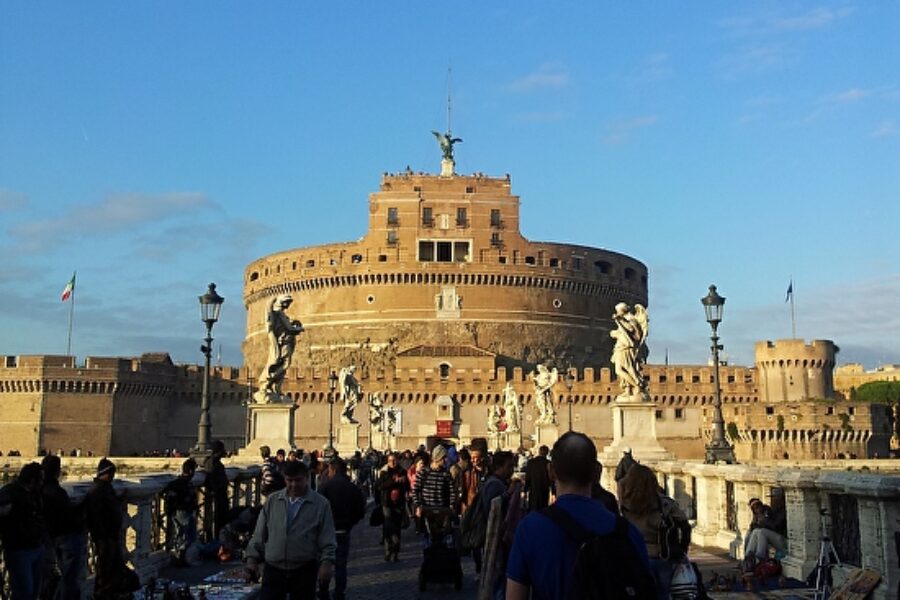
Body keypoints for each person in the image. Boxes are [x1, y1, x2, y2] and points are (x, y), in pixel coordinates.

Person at [506, 432, 651, 600]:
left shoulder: (529, 529)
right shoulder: (628, 532)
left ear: (551, 471)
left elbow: (514, 596)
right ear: (597, 472)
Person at [245, 460, 336, 600]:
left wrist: (327, 563)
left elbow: (327, 538)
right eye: (289, 480)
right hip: (273, 568)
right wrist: (252, 559)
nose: (293, 485)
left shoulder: (321, 504)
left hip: (304, 568)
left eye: (298, 480)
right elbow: (259, 534)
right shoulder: (273, 500)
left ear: (307, 478)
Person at [619, 464, 690, 600]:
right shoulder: (664, 504)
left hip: (635, 556)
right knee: (663, 594)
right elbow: (684, 525)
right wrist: (682, 549)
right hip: (661, 555)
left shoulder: (625, 505)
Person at [84, 458, 135, 600]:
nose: (113, 477)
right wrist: (102, 535)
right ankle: (102, 592)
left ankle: (109, 591)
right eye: (111, 474)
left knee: (111, 564)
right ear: (105, 474)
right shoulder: (97, 491)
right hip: (104, 536)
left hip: (110, 535)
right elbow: (95, 515)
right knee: (105, 566)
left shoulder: (105, 488)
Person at [317, 458, 366, 600]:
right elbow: (360, 510)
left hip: (326, 532)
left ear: (332, 470)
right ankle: (339, 592)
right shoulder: (353, 487)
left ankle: (323, 589)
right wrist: (350, 523)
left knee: (324, 562)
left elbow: (317, 509)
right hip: (344, 530)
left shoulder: (325, 486)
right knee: (341, 564)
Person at [41, 455, 87, 600]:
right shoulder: (56, 491)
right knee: (70, 576)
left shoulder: (39, 490)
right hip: (67, 537)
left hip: (50, 537)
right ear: (57, 471)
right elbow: (68, 516)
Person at [0, 462, 46, 600]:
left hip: (36, 547)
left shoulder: (34, 493)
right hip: (19, 551)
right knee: (24, 593)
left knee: (34, 592)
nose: (43, 482)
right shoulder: (9, 493)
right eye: (41, 479)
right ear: (32, 480)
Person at [163, 458, 198, 566]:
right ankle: (180, 559)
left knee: (186, 536)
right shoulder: (181, 484)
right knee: (183, 537)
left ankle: (182, 559)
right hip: (182, 512)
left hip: (185, 511)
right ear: (191, 471)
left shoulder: (179, 483)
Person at [379, 452, 410, 561]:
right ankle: (388, 551)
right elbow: (381, 486)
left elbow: (407, 487)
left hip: (399, 503)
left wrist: (404, 482)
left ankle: (395, 551)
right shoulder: (384, 472)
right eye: (390, 461)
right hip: (387, 503)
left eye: (394, 460)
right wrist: (393, 481)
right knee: (388, 527)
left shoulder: (403, 472)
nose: (393, 462)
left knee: (397, 528)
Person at [744, 491, 787, 563]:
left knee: (761, 532)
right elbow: (754, 527)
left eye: (774, 498)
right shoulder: (773, 509)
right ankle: (748, 558)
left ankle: (759, 558)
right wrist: (756, 521)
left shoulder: (782, 511)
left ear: (780, 499)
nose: (772, 500)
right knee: (754, 532)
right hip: (774, 537)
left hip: (783, 540)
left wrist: (764, 520)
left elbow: (776, 527)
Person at [203, 441, 229, 540]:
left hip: (220, 496)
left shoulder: (214, 462)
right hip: (217, 498)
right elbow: (211, 480)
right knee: (218, 523)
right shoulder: (212, 463)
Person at [524, 445, 551, 511]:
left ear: (539, 452)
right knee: (543, 510)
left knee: (533, 509)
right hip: (544, 490)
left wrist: (525, 490)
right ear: (547, 453)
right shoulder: (549, 463)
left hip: (533, 490)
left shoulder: (531, 462)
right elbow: (551, 479)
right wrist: (553, 492)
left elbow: (528, 477)